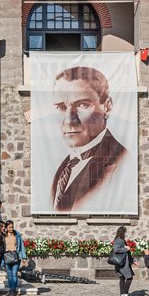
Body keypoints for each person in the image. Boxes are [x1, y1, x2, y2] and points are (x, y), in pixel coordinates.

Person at [48, 66, 128, 213]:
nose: (70, 121)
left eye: (82, 105)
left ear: (107, 107)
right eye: (61, 107)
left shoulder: (122, 161)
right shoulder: (64, 168)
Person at [108, 226, 134, 296]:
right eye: (125, 232)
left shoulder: (121, 240)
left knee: (122, 278)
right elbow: (116, 250)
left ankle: (122, 295)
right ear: (122, 232)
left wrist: (133, 261)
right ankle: (125, 294)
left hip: (122, 262)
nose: (126, 233)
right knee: (129, 277)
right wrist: (126, 249)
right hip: (122, 263)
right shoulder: (118, 240)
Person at [1, 221, 27, 296]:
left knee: (14, 274)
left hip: (16, 256)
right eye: (10, 227)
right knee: (9, 275)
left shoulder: (17, 234)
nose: (12, 228)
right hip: (6, 257)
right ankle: (10, 289)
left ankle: (13, 290)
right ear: (6, 227)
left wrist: (24, 257)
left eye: (12, 227)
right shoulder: (3, 235)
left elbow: (21, 246)